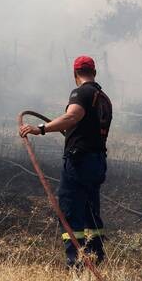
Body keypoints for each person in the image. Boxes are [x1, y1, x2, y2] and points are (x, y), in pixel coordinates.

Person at [19, 55, 112, 267]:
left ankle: (76, 265)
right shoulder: (104, 98)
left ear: (75, 74)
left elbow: (72, 116)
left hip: (80, 162)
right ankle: (95, 258)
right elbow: (83, 124)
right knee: (90, 210)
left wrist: (40, 129)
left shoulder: (81, 92)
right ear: (95, 72)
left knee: (70, 210)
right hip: (97, 161)